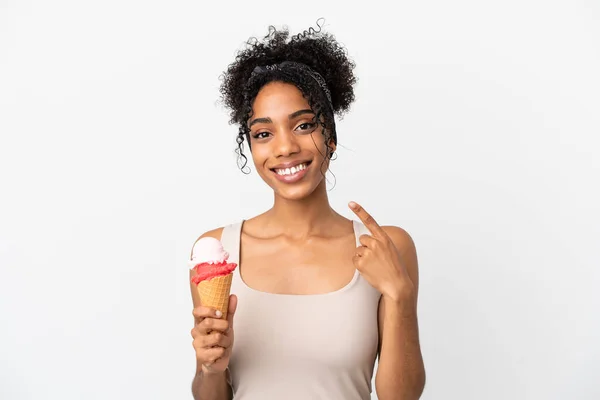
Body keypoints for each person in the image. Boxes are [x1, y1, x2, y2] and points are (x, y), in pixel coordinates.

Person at [189, 19, 426, 400]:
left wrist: (399, 295)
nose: (284, 148)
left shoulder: (387, 247)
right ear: (251, 146)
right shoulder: (216, 251)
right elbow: (211, 395)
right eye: (263, 133)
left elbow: (402, 397)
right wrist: (209, 368)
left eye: (303, 125)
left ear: (330, 137)